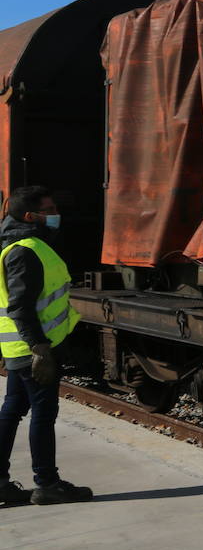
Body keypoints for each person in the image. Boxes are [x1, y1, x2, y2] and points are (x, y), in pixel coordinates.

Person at [0, 186, 92, 505]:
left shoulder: (21, 244)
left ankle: (1, 482)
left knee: (12, 410)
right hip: (35, 349)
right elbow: (20, 306)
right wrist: (40, 349)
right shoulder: (25, 250)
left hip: (21, 348)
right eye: (49, 209)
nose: (55, 214)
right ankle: (47, 483)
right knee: (42, 413)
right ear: (30, 216)